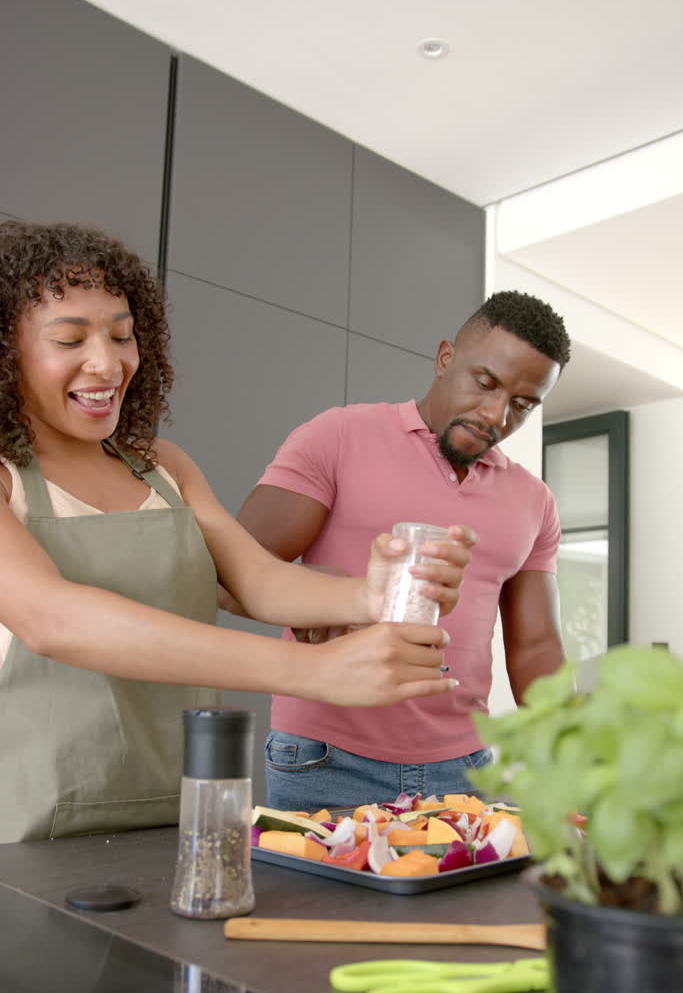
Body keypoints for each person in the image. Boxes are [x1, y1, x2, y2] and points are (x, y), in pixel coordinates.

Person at [0, 221, 476, 843]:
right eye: (69, 339)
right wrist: (312, 670)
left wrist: (367, 594)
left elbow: (253, 578)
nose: (109, 361)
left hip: (186, 805)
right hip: (31, 826)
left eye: (122, 334)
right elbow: (54, 620)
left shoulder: (162, 466)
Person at [232, 290, 571, 810]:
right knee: (317, 898)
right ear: (444, 358)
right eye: (486, 383)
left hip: (467, 766)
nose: (496, 415)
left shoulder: (534, 501)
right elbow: (234, 570)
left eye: (523, 404)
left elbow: (536, 648)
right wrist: (321, 601)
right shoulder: (338, 436)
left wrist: (577, 755)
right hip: (326, 756)